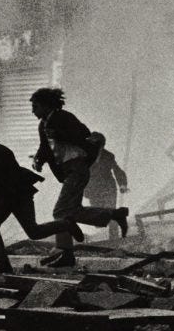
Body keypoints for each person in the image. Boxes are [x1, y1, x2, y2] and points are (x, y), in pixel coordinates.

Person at [0, 121, 83, 274]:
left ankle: (66, 224)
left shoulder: (1, 152)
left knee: (21, 230)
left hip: (19, 195)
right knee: (5, 228)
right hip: (6, 197)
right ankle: (3, 264)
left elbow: (10, 179)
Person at [30, 88, 129, 268]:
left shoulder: (64, 117)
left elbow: (85, 134)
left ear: (46, 105)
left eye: (35, 106)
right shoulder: (43, 124)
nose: (33, 111)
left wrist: (62, 135)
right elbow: (44, 147)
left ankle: (67, 253)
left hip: (77, 168)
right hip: (68, 171)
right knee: (70, 210)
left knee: (61, 211)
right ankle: (114, 214)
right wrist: (38, 160)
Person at [86, 145, 130, 240]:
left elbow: (117, 170)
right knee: (99, 217)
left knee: (111, 211)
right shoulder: (85, 155)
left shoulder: (108, 156)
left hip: (108, 187)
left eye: (99, 147)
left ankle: (114, 238)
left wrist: (122, 185)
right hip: (93, 190)